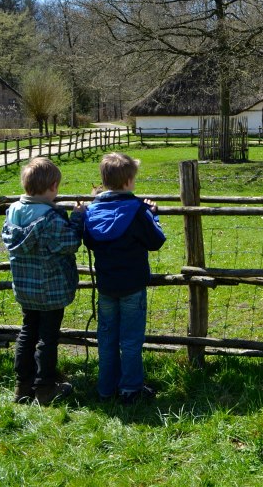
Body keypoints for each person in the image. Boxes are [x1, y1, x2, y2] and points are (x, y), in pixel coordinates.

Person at [81, 152, 166, 403]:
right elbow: (156, 241)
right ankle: (130, 388)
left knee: (106, 339)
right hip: (132, 286)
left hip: (106, 285)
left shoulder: (91, 211)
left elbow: (88, 240)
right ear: (129, 181)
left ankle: (106, 389)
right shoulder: (138, 210)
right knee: (130, 339)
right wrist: (154, 214)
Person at [2, 157, 83, 405]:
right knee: (48, 337)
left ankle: (22, 385)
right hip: (51, 288)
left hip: (25, 288)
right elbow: (69, 243)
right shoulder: (50, 218)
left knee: (27, 332)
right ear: (53, 187)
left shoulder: (13, 212)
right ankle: (45, 388)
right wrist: (78, 218)